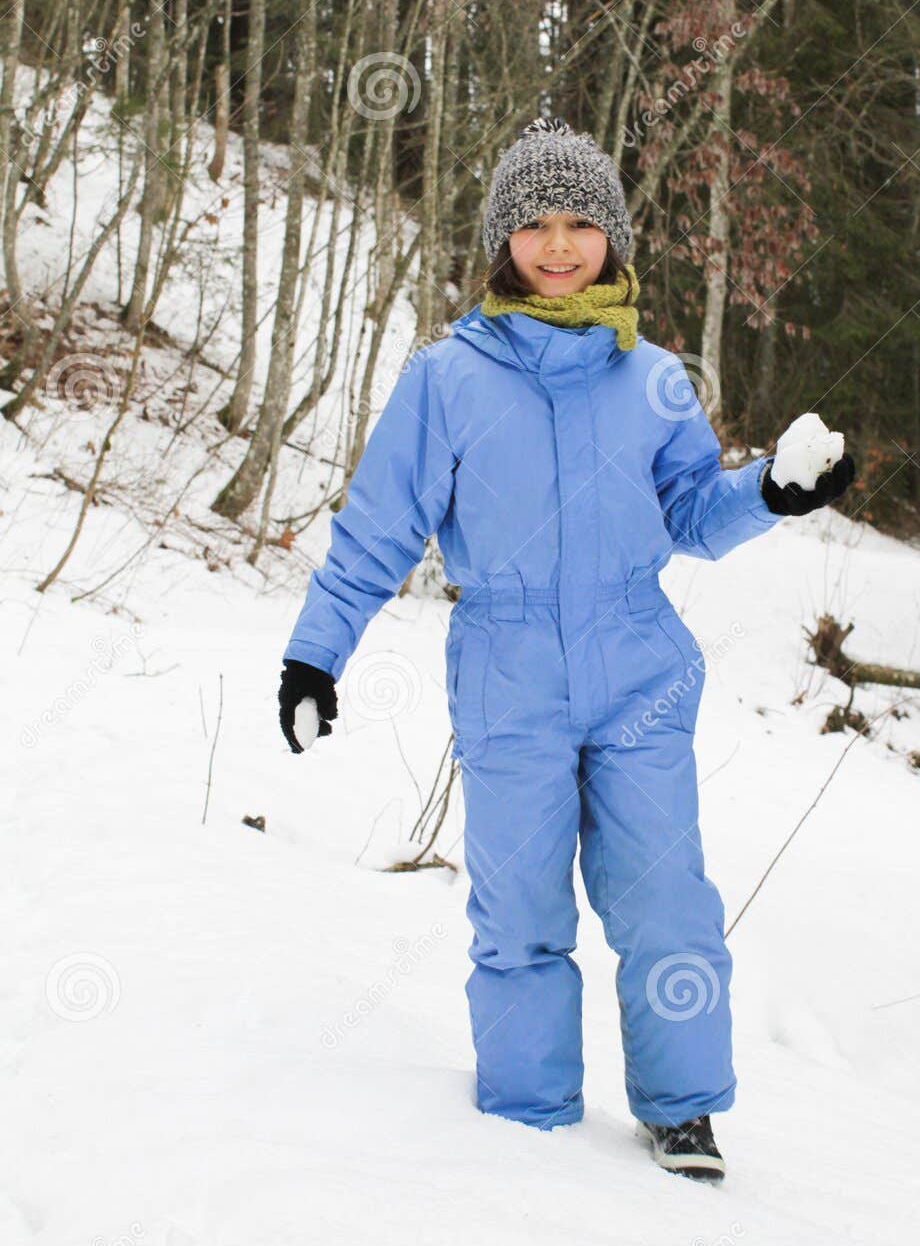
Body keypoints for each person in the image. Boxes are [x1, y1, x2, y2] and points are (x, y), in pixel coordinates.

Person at [278, 115, 854, 1182]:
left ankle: (682, 1109)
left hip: (638, 666)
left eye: (579, 221)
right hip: (508, 672)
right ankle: (526, 1117)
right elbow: (375, 530)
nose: (556, 243)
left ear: (611, 237)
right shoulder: (445, 376)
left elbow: (688, 509)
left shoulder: (653, 376)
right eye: (534, 223)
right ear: (502, 239)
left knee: (663, 895)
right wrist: (314, 656)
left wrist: (771, 489)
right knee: (520, 904)